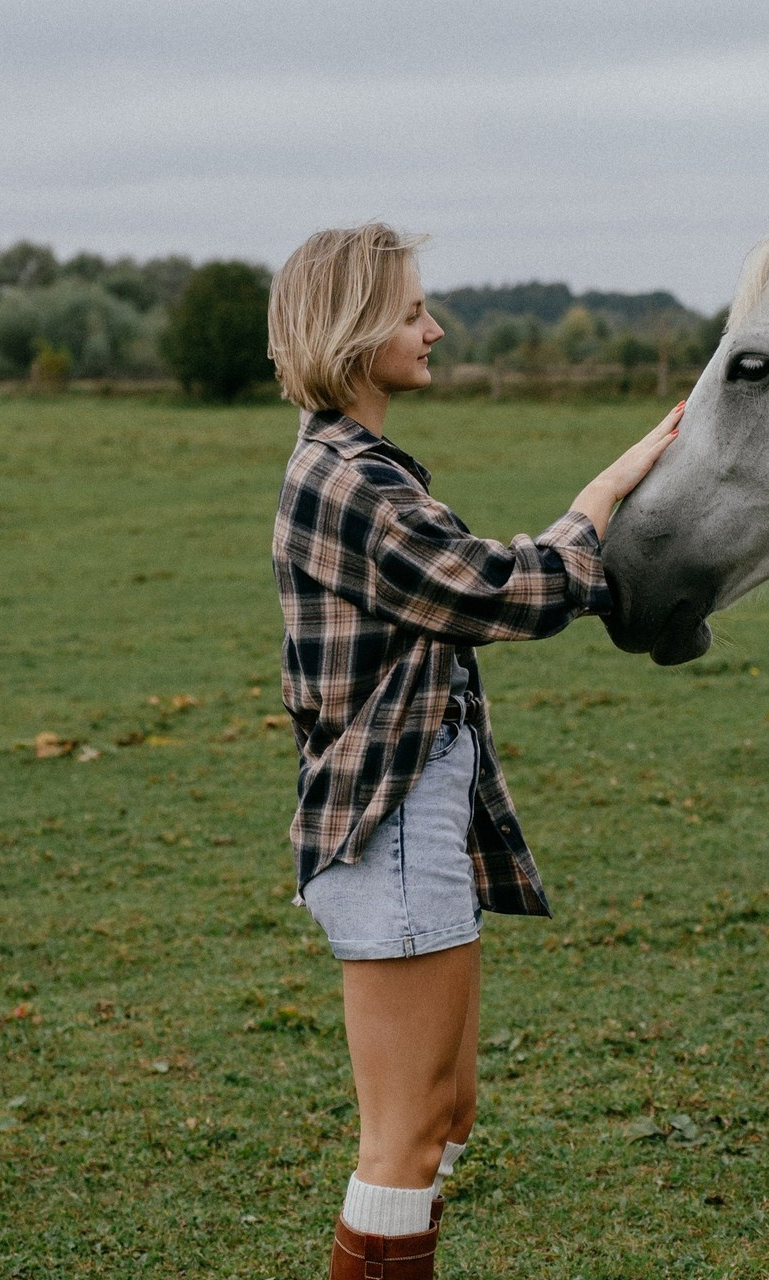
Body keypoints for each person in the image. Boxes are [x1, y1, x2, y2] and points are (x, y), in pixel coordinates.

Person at [267, 222, 682, 1279]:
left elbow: (484, 582)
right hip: (388, 822)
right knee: (404, 1136)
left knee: (447, 1112)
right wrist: (603, 504)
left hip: (413, 818)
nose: (434, 327)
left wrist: (600, 495)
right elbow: (502, 589)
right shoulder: (345, 480)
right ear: (355, 330)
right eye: (412, 311)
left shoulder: (362, 463)